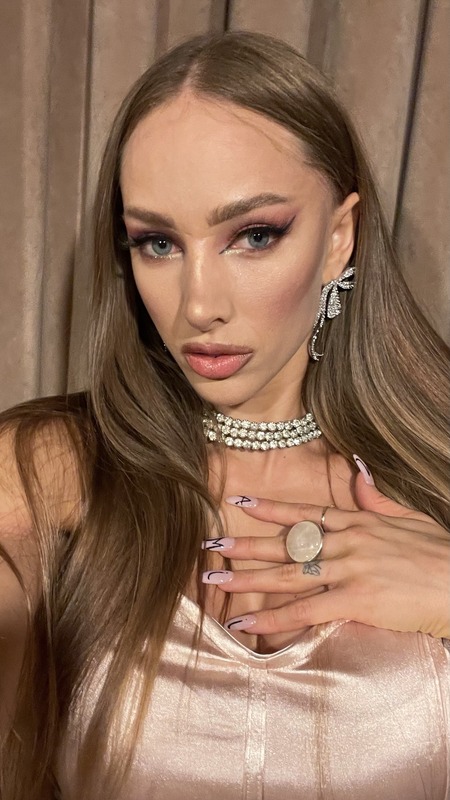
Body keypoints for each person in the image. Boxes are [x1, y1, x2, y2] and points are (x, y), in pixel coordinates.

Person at [0, 30, 449, 800]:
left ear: (338, 237)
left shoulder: (437, 464)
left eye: (254, 235)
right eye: (158, 243)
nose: (198, 305)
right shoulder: (52, 468)